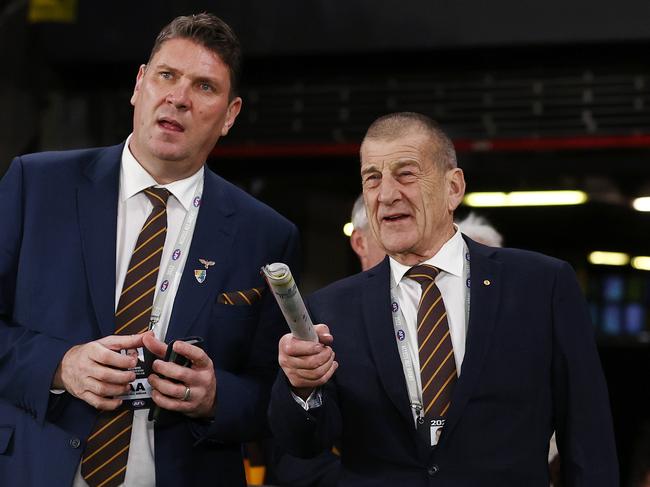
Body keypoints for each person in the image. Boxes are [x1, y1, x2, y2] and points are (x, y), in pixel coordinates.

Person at [0, 13, 299, 487]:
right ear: (139, 84)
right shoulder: (35, 185)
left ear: (230, 115)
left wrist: (217, 395)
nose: (178, 97)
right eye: (167, 75)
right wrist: (59, 365)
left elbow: (281, 397)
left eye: (204, 87)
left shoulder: (265, 234)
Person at [269, 112, 618, 486]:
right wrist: (301, 389)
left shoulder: (541, 286)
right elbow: (302, 445)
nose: (386, 194)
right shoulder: (329, 309)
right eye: (372, 178)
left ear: (453, 188)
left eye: (406, 174)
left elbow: (588, 440)